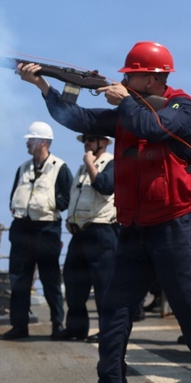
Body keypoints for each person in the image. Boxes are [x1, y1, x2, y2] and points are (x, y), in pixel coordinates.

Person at [17, 41, 191, 383]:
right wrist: (44, 87)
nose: (124, 81)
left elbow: (153, 129)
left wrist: (124, 100)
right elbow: (79, 119)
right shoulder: (130, 110)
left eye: (132, 75)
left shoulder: (182, 108)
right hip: (135, 227)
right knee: (114, 311)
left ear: (155, 77)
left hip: (177, 225)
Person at [3, 121, 73, 340]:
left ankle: (57, 325)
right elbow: (14, 193)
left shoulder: (60, 167)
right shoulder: (23, 168)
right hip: (22, 227)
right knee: (19, 279)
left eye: (30, 140)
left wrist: (50, 203)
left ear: (42, 142)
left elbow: (67, 198)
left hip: (46, 228)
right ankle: (19, 326)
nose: (27, 144)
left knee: (50, 279)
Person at [56, 133, 119, 341]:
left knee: (104, 285)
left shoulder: (112, 163)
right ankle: (76, 328)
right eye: (86, 140)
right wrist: (70, 218)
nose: (87, 144)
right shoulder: (83, 168)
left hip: (101, 231)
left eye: (91, 140)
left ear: (104, 143)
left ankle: (107, 332)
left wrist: (91, 164)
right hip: (81, 232)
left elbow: (104, 187)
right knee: (73, 282)